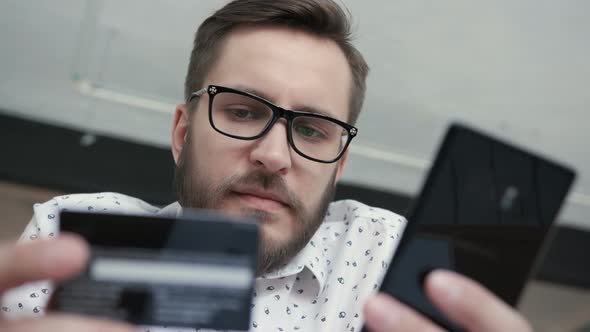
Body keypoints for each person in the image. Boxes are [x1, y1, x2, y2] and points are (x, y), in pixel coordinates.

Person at [0, 0, 533, 331]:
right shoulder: (70, 238)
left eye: (311, 130)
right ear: (183, 133)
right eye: (242, 111)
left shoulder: (385, 261)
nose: (274, 156)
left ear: (339, 162)